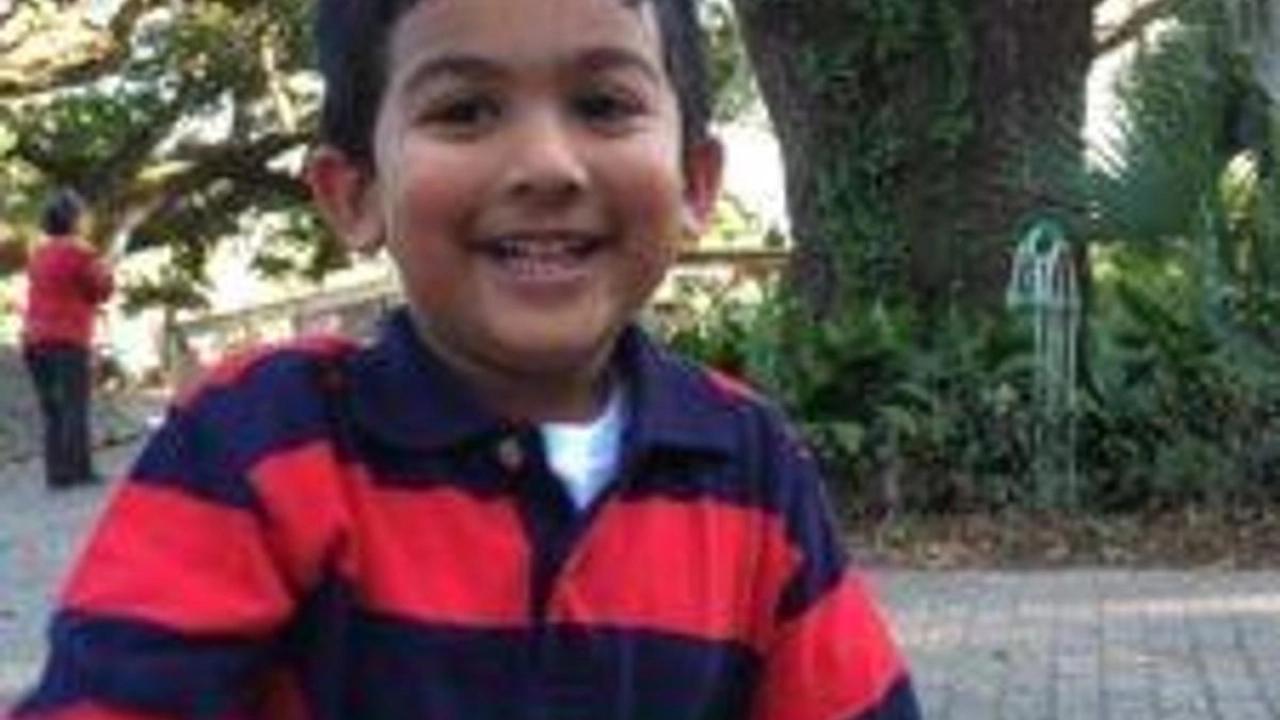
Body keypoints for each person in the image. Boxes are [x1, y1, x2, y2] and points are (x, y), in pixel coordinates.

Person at [10, 0, 922, 718]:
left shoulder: (749, 464)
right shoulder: (261, 443)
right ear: (354, 194)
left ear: (694, 182)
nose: (547, 164)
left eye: (603, 105)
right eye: (465, 110)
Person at [20, 188, 114, 490]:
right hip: (67, 338)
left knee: (52, 409)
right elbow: (101, 289)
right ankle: (80, 471)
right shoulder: (80, 252)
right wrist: (107, 269)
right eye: (83, 214)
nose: (87, 219)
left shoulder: (38, 255)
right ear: (73, 219)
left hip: (33, 339)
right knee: (75, 405)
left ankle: (57, 474)